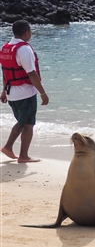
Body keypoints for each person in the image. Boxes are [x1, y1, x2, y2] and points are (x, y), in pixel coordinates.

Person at [0, 20, 49, 163]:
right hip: (25, 94)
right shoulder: (24, 49)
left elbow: (5, 72)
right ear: (27, 32)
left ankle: (18, 152)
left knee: (23, 122)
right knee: (26, 124)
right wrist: (43, 93)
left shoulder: (6, 47)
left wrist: (3, 91)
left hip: (11, 94)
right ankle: (18, 152)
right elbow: (31, 74)